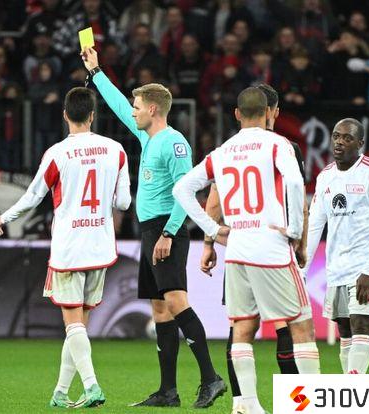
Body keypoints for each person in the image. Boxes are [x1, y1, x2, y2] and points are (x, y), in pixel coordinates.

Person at [82, 46, 227, 409]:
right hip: (150, 231)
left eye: (137, 106)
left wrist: (168, 233)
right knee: (160, 311)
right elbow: (118, 105)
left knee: (176, 302)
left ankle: (211, 378)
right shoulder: (149, 137)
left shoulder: (174, 143)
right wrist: (96, 72)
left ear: (152, 109)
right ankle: (167, 391)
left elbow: (185, 193)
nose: (132, 111)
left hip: (166, 231)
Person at [173, 87, 319, 414]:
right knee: (301, 326)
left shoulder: (222, 151)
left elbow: (181, 189)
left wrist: (212, 231)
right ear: (268, 113)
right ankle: (310, 405)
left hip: (237, 250)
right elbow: (296, 184)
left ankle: (247, 405)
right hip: (272, 249)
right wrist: (296, 231)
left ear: (237, 114)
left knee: (242, 327)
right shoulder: (277, 144)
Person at [0, 87, 131, 408]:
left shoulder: (58, 153)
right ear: (93, 115)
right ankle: (60, 391)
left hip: (69, 248)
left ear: (65, 114)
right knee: (79, 325)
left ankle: (92, 386)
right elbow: (124, 202)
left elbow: (33, 196)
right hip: (100, 247)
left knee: (72, 324)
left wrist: (5, 216)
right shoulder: (116, 150)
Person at [304, 118, 369, 374]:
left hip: (367, 267)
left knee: (361, 325)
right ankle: (350, 388)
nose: (339, 142)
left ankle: (354, 390)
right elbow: (315, 226)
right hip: (337, 268)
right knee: (344, 330)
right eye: (336, 136)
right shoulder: (325, 177)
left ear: (360, 143)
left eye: (347, 138)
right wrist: (302, 270)